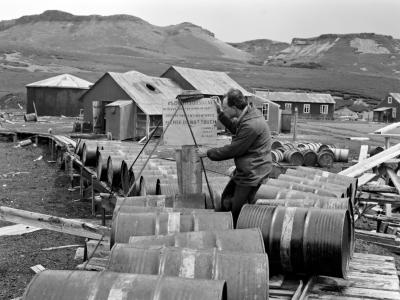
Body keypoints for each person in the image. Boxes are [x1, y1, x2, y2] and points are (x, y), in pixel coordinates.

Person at [196, 88, 272, 226]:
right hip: (248, 168)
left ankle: (239, 232)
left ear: (234, 107)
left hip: (253, 172)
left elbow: (233, 150)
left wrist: (208, 152)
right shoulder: (248, 115)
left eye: (225, 107)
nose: (223, 110)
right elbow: (235, 129)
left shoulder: (251, 124)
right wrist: (219, 113)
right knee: (226, 198)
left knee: (237, 210)